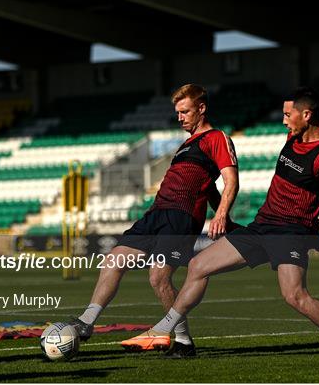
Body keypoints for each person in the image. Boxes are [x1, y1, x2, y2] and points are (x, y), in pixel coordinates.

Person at [124, 86, 319, 364]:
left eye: (289, 115)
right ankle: (165, 331)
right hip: (262, 225)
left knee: (295, 296)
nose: (284, 120)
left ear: (307, 115)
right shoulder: (293, 139)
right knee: (199, 266)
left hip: (291, 232)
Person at [69, 84, 239, 358]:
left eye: (185, 111)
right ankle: (87, 322)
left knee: (159, 277)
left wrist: (221, 217)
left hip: (181, 218)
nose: (180, 117)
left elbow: (231, 180)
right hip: (156, 214)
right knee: (113, 260)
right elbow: (209, 188)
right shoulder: (186, 145)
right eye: (177, 112)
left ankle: (183, 341)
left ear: (202, 108)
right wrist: (221, 211)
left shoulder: (217, 138)